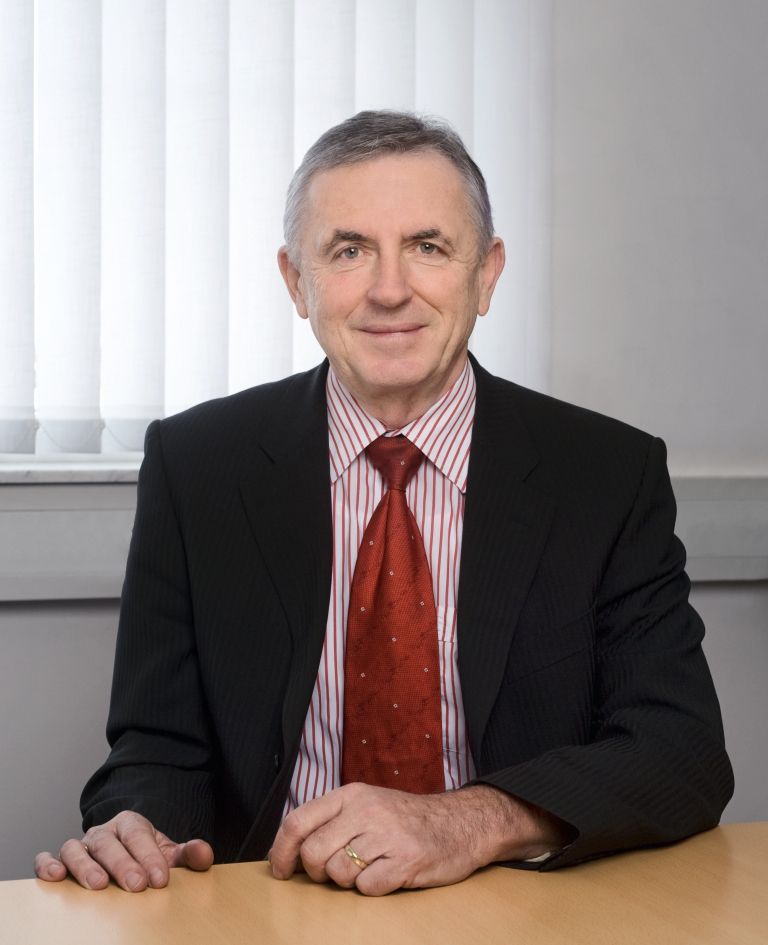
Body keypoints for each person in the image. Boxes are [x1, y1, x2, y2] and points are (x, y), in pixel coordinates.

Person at [35, 111, 733, 897]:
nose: (390, 289)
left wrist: (465, 822)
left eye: (428, 246)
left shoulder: (606, 474)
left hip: (515, 902)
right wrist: (135, 826)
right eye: (349, 250)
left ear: (487, 274)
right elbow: (155, 748)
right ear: (296, 282)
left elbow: (680, 750)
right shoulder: (197, 466)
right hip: (275, 905)